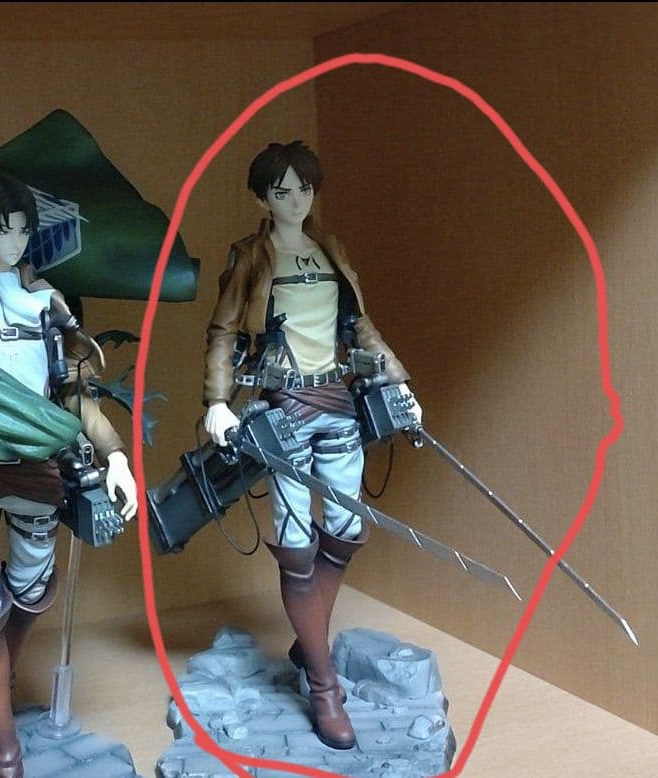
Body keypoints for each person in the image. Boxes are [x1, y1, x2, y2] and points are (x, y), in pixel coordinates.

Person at [202, 141, 421, 750]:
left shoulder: (330, 250)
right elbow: (223, 329)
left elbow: (361, 325)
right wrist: (217, 401)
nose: (295, 200)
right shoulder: (251, 256)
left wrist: (399, 382)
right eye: (282, 191)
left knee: (346, 530)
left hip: (337, 398)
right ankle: (324, 687)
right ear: (262, 199)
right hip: (284, 407)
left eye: (304, 189)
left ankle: (310, 638)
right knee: (297, 544)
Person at [0, 170, 137, 777]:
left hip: (38, 470)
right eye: (3, 229)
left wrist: (115, 455)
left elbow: (74, 395)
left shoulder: (48, 304)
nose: (15, 241)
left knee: (31, 591)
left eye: (22, 230)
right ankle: (5, 746)